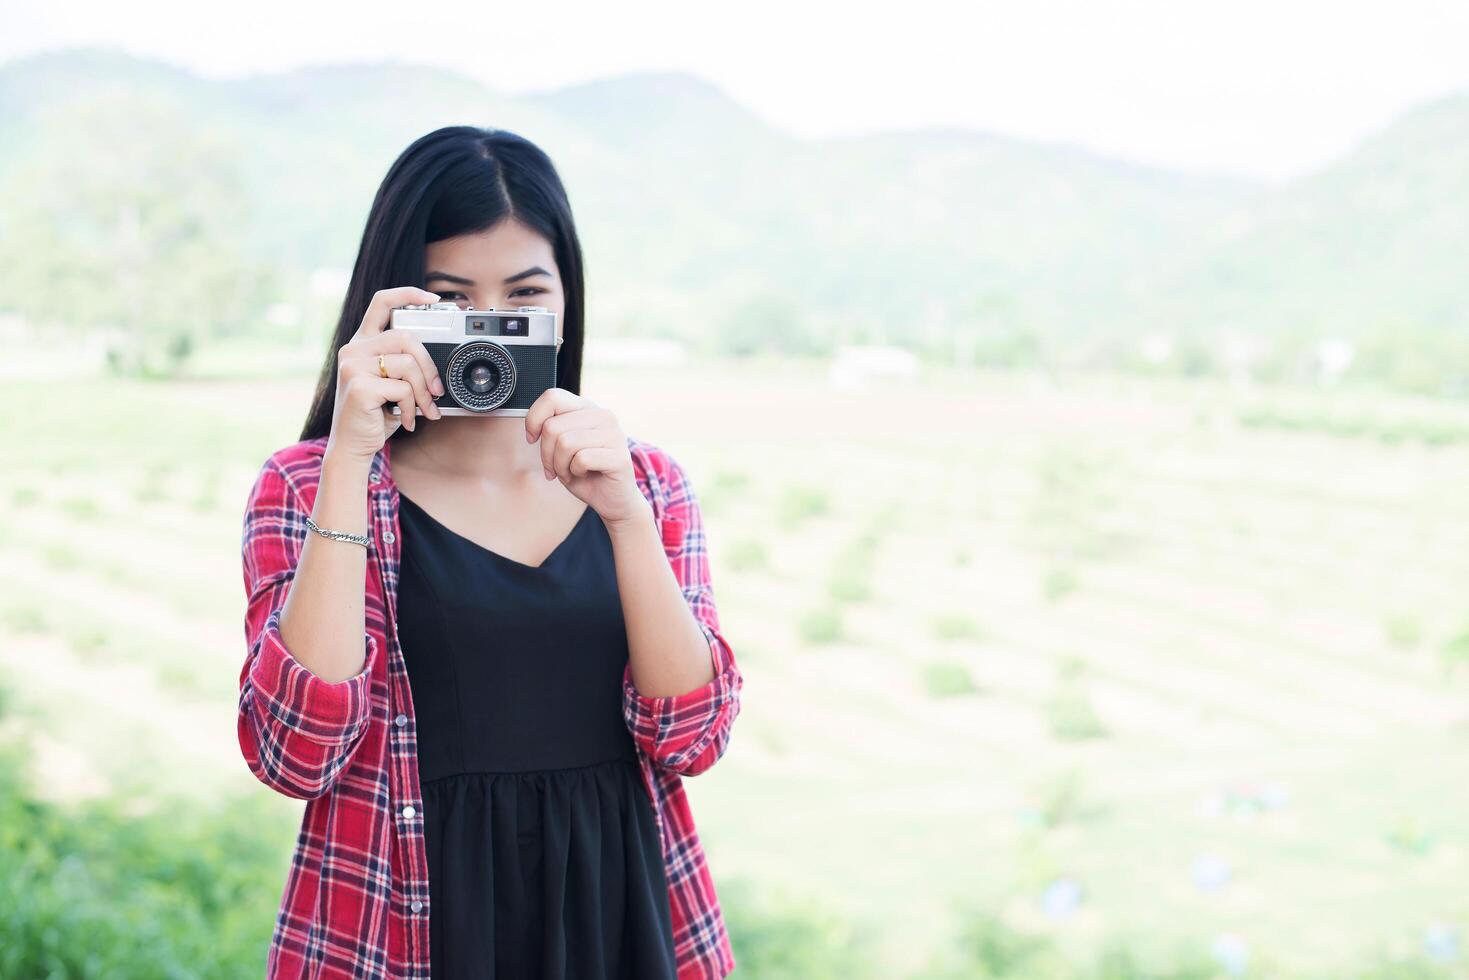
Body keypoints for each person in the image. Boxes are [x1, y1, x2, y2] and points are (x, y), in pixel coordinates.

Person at [236, 126, 743, 979]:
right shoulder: (306, 484)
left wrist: (622, 518)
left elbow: (692, 738)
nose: (485, 331)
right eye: (449, 301)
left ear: (567, 298)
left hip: (617, 908)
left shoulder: (645, 482)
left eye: (522, 296)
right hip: (403, 917)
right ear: (388, 308)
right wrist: (351, 459)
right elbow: (296, 754)